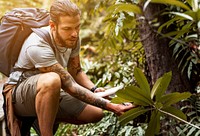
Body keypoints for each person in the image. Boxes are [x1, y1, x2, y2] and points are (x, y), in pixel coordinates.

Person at [4, 0, 134, 135]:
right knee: (52, 80)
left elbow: (76, 70)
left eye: (77, 27)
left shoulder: (72, 38)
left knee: (95, 113)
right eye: (67, 28)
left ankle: (42, 115)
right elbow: (69, 85)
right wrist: (113, 107)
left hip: (49, 91)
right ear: (53, 26)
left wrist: (94, 89)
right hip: (18, 95)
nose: (75, 34)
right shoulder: (36, 44)